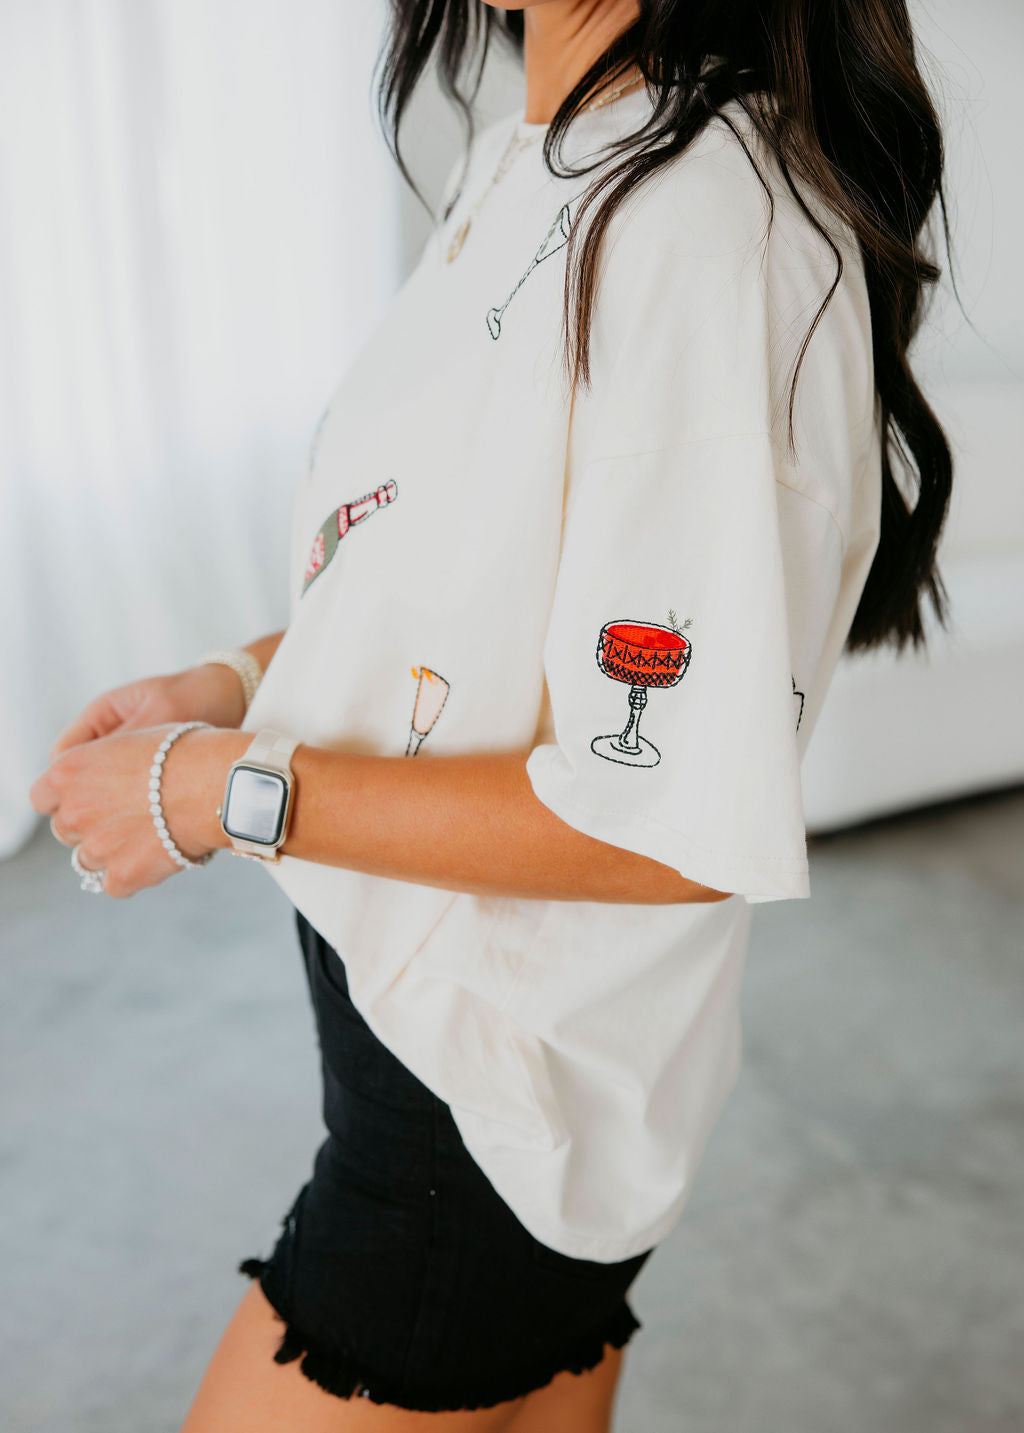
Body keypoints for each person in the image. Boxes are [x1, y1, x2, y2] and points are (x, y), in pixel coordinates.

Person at [30, 0, 955, 1428]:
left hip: (484, 1109)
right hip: (462, 1065)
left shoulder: (704, 228)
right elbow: (472, 580)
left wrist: (218, 788)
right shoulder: (532, 152)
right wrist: (235, 681)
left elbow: (661, 821)